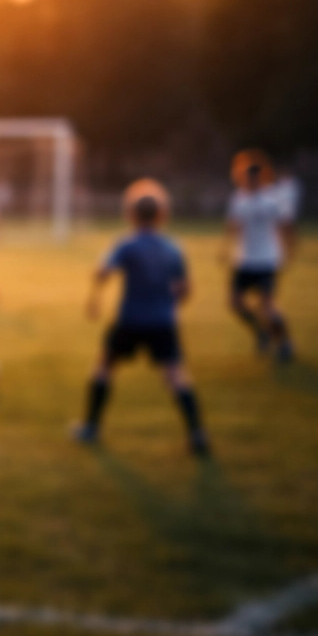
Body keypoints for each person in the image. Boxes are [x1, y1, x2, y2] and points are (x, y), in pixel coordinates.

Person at [73, 179, 209, 456]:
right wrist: (168, 301)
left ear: (130, 214)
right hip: (163, 322)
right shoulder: (173, 248)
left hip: (130, 321)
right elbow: (184, 289)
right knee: (175, 376)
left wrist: (94, 299)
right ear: (161, 214)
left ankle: (90, 427)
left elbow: (103, 272)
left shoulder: (127, 245)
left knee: (105, 367)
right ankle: (197, 433)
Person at [222, 149, 295, 362]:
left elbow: (285, 224)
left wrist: (287, 248)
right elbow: (233, 224)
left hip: (266, 259)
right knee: (235, 303)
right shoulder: (239, 198)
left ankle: (284, 342)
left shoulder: (272, 199)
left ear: (261, 177)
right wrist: (226, 247)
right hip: (244, 259)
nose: (248, 181)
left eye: (252, 177)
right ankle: (261, 331)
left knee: (268, 306)